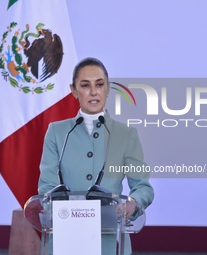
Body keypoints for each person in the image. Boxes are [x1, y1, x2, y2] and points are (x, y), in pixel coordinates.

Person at [38, 57, 154, 254]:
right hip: (65, 241)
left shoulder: (126, 134)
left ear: (107, 88)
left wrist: (132, 204)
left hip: (110, 243)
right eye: (85, 85)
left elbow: (143, 187)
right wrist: (56, 208)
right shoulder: (57, 133)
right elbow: (46, 188)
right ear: (74, 90)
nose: (93, 92)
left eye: (99, 85)